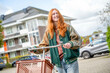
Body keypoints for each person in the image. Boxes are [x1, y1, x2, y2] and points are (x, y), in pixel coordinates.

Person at [39, 8, 82, 73]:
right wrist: (35, 50)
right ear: (51, 17)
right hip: (58, 63)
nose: (56, 15)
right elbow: (44, 45)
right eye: (53, 14)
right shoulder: (48, 32)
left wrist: (71, 44)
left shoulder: (67, 27)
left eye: (57, 13)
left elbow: (78, 40)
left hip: (70, 60)